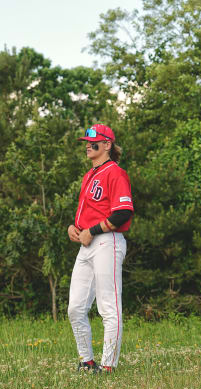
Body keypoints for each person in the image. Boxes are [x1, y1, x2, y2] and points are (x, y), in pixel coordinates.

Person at [67, 124, 134, 373]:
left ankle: (108, 366)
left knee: (108, 306)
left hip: (108, 241)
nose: (87, 145)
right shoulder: (89, 175)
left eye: (93, 142)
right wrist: (73, 228)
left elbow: (123, 212)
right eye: (86, 141)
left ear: (107, 145)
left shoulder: (115, 173)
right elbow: (89, 214)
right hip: (87, 245)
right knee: (75, 307)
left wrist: (91, 231)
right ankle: (87, 361)